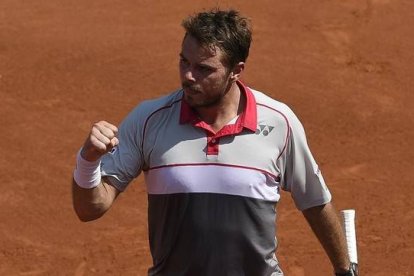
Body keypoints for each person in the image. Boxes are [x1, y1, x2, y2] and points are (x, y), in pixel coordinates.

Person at [72, 9, 358, 276]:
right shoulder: (148, 119)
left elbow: (314, 201)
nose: (188, 76)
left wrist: (344, 270)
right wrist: (88, 159)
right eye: (184, 61)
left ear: (236, 70)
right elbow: (90, 208)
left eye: (204, 69)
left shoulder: (279, 122)